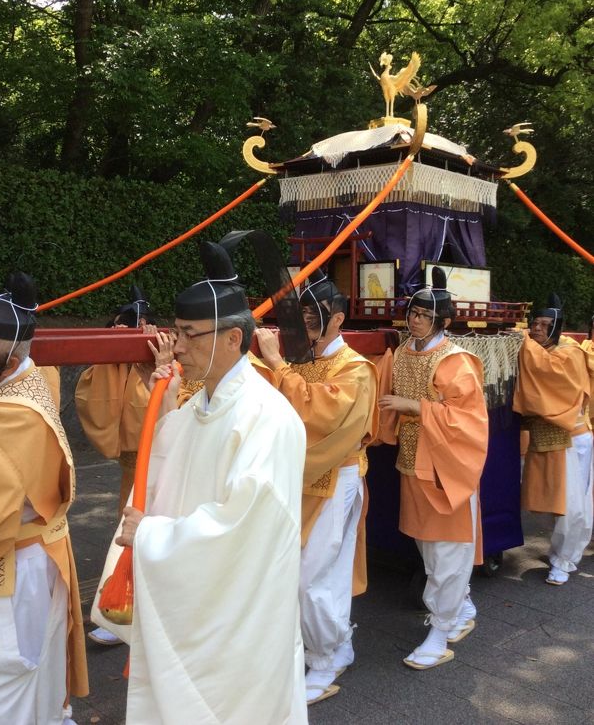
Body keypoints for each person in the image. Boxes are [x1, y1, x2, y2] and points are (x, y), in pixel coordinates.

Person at [97, 242, 308, 725]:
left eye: (190, 335)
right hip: (197, 600)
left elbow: (245, 525)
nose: (178, 347)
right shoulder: (199, 407)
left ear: (234, 338)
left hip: (238, 617)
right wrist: (167, 404)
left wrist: (150, 535)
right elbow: (171, 471)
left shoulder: (266, 416)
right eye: (177, 333)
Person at [0, 272, 88, 725]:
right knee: (3, 677)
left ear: (8, 363)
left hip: (15, 567)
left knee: (0, 682)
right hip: (10, 557)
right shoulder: (18, 377)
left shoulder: (16, 413)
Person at [255, 270, 378, 705]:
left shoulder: (355, 369)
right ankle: (331, 644)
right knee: (315, 572)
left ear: (338, 319)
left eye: (315, 314)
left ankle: (328, 656)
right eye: (302, 313)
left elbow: (321, 412)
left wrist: (277, 365)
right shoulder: (303, 357)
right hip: (301, 475)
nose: (306, 320)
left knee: (312, 577)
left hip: (334, 477)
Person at [378, 267, 488, 670]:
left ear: (443, 321)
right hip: (412, 463)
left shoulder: (456, 361)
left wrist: (415, 408)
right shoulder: (404, 352)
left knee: (446, 551)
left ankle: (440, 633)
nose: (415, 319)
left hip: (446, 468)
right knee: (430, 550)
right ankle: (459, 608)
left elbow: (470, 421)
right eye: (413, 312)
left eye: (424, 314)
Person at [75, 285, 166, 647]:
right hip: (136, 465)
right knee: (129, 532)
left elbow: (168, 406)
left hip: (166, 460)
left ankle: (137, 610)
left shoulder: (169, 359)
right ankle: (122, 607)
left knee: (154, 534)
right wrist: (112, 354)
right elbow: (99, 404)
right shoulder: (121, 363)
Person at [513, 294, 593, 585]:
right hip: (546, 436)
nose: (536, 329)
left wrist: (521, 339)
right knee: (549, 502)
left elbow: (544, 371)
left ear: (558, 327)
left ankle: (565, 559)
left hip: (573, 440)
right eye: (534, 324)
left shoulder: (568, 352)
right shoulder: (539, 348)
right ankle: (560, 551)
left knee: (572, 507)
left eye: (545, 325)